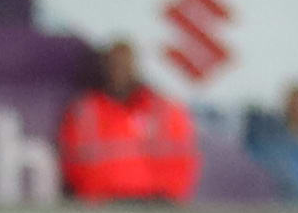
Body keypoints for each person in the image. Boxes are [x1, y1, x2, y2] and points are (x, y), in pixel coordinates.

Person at [57, 40, 197, 203]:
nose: (119, 71)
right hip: (102, 207)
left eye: (125, 64)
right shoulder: (84, 113)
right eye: (114, 65)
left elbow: (183, 162)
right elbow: (74, 166)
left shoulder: (166, 111)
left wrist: (162, 196)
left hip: (158, 205)